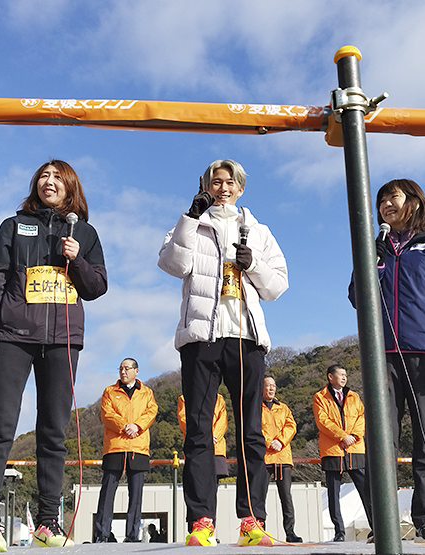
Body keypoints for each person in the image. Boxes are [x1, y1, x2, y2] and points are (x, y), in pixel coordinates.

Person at [0, 160, 107, 552]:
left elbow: (97, 286)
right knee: (0, 428)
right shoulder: (13, 226)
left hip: (63, 341)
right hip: (13, 337)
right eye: (42, 177)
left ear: (70, 188)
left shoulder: (84, 232)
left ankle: (48, 523)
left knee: (53, 433)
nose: (48, 182)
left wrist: (77, 257)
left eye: (56, 178)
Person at [158, 159, 288, 547]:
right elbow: (171, 263)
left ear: (241, 188)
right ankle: (201, 522)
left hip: (245, 337)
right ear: (205, 186)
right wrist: (189, 217)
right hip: (202, 337)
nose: (223, 187)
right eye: (216, 181)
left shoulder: (259, 230)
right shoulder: (190, 223)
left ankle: (252, 521)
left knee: (251, 431)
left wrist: (255, 266)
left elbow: (278, 285)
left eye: (230, 182)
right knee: (199, 431)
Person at [348, 178, 425, 544]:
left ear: (414, 202)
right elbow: (355, 296)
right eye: (380, 200)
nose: (385, 204)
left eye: (392, 197)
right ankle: (382, 521)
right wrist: (372, 256)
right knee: (380, 440)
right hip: (380, 355)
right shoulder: (374, 248)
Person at [93, 358, 157, 543]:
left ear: (136, 371)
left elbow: (151, 412)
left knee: (136, 493)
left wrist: (137, 426)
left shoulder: (147, 392)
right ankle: (102, 533)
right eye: (121, 368)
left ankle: (132, 534)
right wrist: (124, 426)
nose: (123, 371)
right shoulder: (109, 391)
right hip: (114, 446)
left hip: (138, 447)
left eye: (127, 368)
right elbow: (107, 414)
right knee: (107, 491)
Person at [312, 365, 373, 542]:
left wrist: (353, 436)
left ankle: (375, 527)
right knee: (333, 494)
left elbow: (361, 417)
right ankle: (339, 532)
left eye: (346, 374)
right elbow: (322, 421)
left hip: (354, 448)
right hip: (333, 450)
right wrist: (342, 436)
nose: (344, 378)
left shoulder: (354, 396)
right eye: (341, 375)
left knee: (366, 490)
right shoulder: (320, 397)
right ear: (330, 377)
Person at [260, 375, 302, 543]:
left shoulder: (283, 407)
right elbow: (255, 427)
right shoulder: (256, 407)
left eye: (273, 386)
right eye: (268, 385)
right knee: (260, 496)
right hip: (264, 457)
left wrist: (280, 441)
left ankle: (290, 532)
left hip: (283, 457)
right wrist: (269, 442)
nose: (271, 388)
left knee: (286, 496)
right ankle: (260, 531)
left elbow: (291, 426)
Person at [177, 393, 229, 483]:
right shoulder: (184, 398)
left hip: (216, 449)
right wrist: (205, 436)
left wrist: (213, 436)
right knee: (197, 484)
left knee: (213, 486)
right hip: (196, 448)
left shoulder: (219, 398)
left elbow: (223, 421)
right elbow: (184, 421)